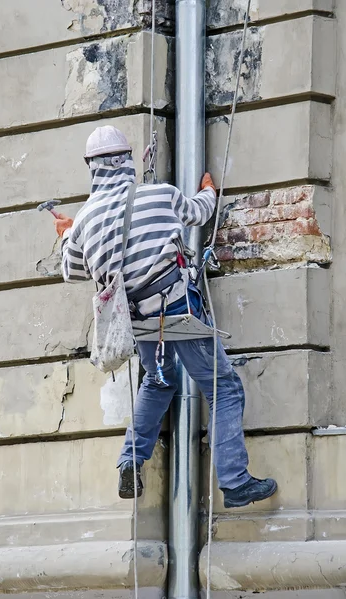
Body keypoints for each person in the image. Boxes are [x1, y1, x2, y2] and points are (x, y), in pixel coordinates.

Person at [54, 125, 278, 508]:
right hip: (175, 310)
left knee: (158, 384)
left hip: (136, 321)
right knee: (223, 387)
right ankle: (235, 481)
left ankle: (130, 459)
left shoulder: (85, 219)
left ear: (91, 167)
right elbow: (199, 212)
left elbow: (72, 270)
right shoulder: (159, 194)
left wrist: (66, 232)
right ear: (126, 160)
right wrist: (208, 188)